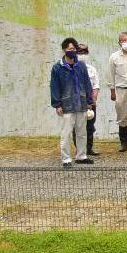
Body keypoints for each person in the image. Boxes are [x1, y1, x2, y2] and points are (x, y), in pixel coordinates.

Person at [50, 38, 95, 168]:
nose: (72, 51)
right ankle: (66, 159)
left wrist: (89, 101)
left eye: (74, 49)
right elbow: (54, 87)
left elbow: (87, 83)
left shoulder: (80, 65)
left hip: (81, 104)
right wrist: (57, 104)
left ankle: (81, 156)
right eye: (70, 49)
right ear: (64, 49)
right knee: (66, 133)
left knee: (82, 132)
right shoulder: (57, 67)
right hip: (66, 105)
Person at [73, 43, 101, 159]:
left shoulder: (92, 69)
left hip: (89, 102)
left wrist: (93, 100)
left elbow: (96, 86)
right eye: (80, 52)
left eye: (84, 53)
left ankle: (89, 148)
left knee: (90, 126)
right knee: (77, 126)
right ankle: (79, 150)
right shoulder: (71, 68)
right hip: (76, 103)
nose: (82, 55)